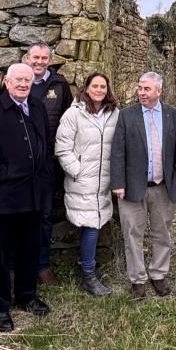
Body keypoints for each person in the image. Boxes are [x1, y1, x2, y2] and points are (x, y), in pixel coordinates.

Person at [0, 63, 52, 333]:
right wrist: (7, 174)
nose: (23, 84)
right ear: (7, 81)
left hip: (34, 194)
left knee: (30, 249)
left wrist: (43, 175)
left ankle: (26, 296)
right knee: (2, 256)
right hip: (4, 198)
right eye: (18, 79)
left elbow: (45, 145)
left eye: (28, 80)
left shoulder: (38, 107)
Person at [110, 72, 176, 299]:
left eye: (147, 89)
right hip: (132, 187)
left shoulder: (174, 115)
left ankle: (159, 275)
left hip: (163, 187)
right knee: (132, 234)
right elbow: (117, 151)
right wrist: (118, 183)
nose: (141, 92)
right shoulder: (126, 115)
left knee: (163, 233)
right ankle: (137, 280)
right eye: (140, 88)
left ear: (159, 91)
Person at [55, 72, 120, 296]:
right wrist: (78, 171)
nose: (99, 90)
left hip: (104, 181)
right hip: (83, 180)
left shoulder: (114, 113)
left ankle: (87, 266)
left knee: (96, 223)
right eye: (95, 86)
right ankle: (88, 275)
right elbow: (62, 148)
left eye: (103, 86)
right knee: (91, 226)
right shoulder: (74, 114)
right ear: (87, 88)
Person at [25, 42, 73, 285]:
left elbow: (68, 121)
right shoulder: (16, 80)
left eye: (44, 58)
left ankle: (42, 266)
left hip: (47, 164)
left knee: (44, 216)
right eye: (36, 57)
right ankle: (17, 266)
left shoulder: (60, 85)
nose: (39, 62)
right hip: (20, 164)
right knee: (19, 215)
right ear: (27, 58)